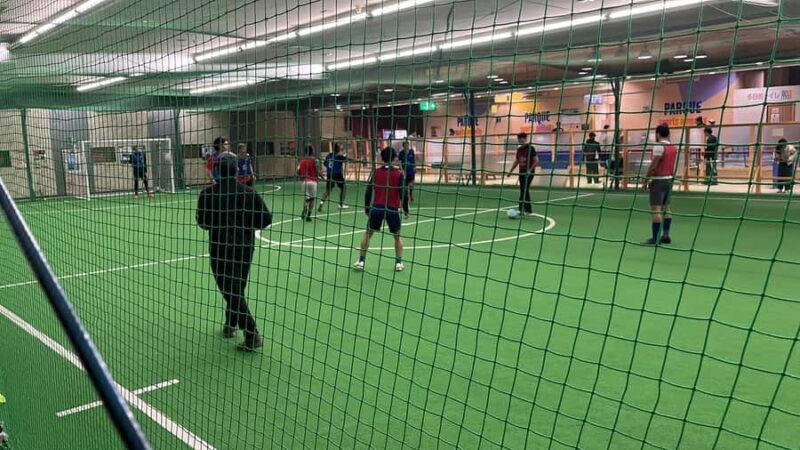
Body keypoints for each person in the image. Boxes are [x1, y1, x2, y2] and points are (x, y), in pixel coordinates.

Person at [196, 155, 272, 351]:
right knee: (236, 288)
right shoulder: (249, 193)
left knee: (231, 290)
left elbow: (203, 223)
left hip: (220, 248)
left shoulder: (207, 194)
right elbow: (265, 220)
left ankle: (251, 334)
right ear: (237, 170)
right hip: (245, 248)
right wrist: (246, 224)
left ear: (217, 170)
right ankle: (230, 324)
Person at [354, 146, 409, 272]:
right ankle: (398, 263)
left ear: (382, 158)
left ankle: (361, 261)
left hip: (377, 208)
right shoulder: (398, 174)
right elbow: (403, 194)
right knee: (397, 236)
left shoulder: (376, 172)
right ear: (394, 158)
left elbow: (368, 191)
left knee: (368, 234)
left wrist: (367, 208)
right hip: (392, 209)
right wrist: (406, 210)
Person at [642, 124, 678, 245]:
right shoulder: (673, 147)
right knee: (667, 208)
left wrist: (646, 179)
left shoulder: (658, 146)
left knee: (656, 210)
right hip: (669, 180)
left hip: (658, 180)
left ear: (658, 134)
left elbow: (654, 165)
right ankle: (666, 235)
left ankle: (655, 237)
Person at [506, 133, 538, 216]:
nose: (520, 140)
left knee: (524, 189)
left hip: (529, 173)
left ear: (525, 139)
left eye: (522, 138)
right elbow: (517, 161)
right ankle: (528, 209)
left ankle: (522, 209)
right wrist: (510, 171)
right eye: (519, 138)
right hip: (522, 172)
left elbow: (536, 161)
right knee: (523, 190)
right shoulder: (519, 149)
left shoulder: (531, 148)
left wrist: (529, 170)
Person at [318, 144, 348, 210]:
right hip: (337, 174)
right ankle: (340, 204)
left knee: (327, 191)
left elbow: (325, 164)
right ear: (338, 149)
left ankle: (321, 203)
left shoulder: (329, 156)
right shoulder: (339, 156)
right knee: (344, 188)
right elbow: (347, 160)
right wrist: (344, 155)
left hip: (329, 175)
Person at [297, 145, 322, 221]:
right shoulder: (315, 160)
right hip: (313, 182)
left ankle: (305, 208)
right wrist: (321, 177)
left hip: (304, 182)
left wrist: (301, 176)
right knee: (312, 199)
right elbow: (317, 170)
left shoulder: (301, 161)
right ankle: (309, 215)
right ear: (312, 151)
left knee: (307, 199)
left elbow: (297, 171)